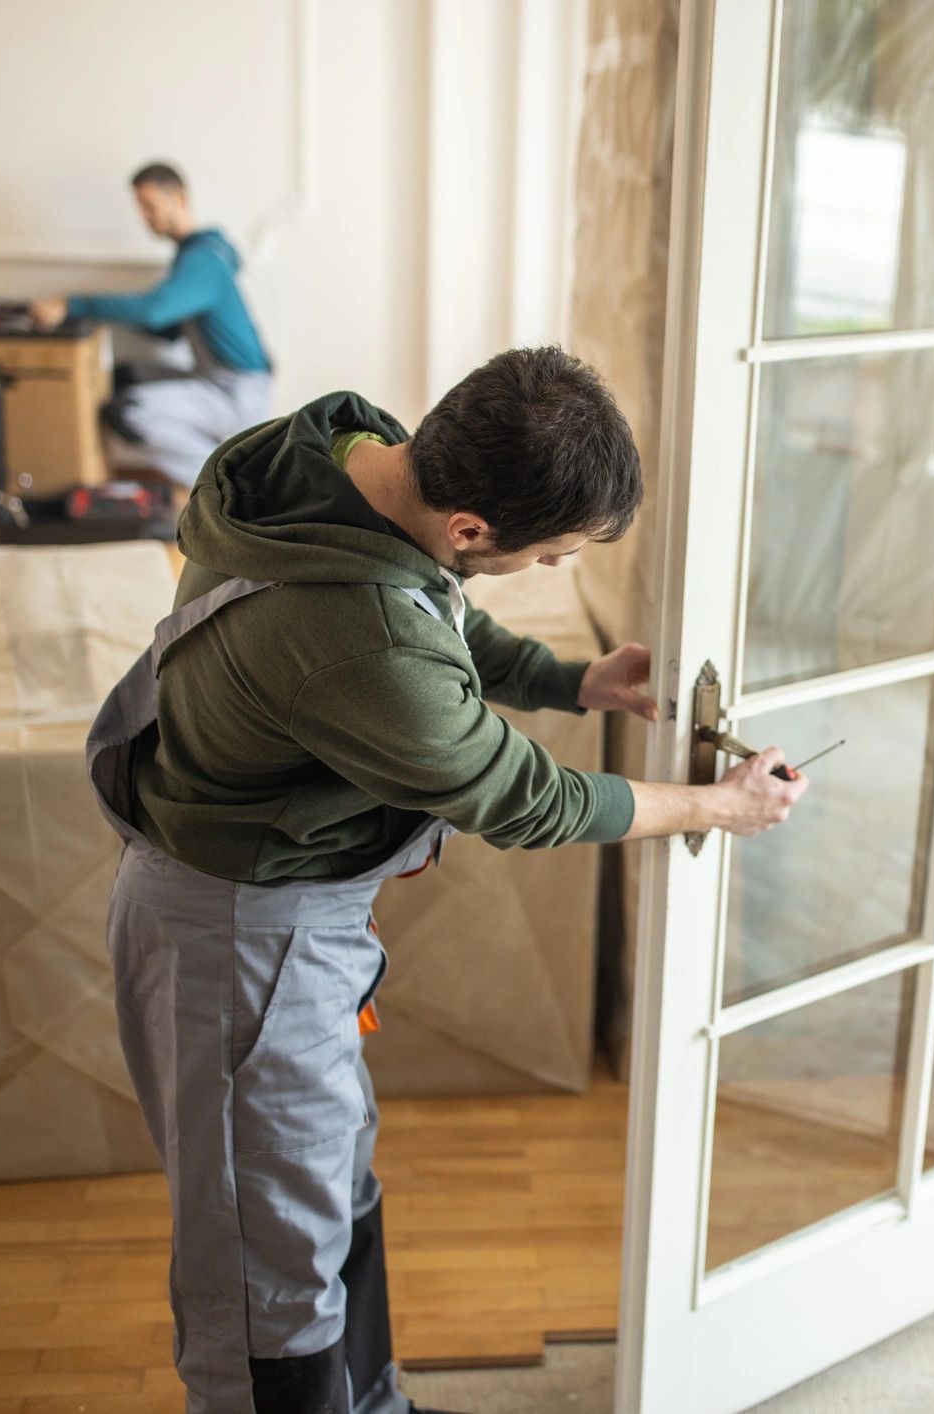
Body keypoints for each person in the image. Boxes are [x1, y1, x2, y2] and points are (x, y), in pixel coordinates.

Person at [86, 346, 808, 1413]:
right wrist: (714, 806)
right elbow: (528, 799)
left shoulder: (335, 450)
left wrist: (573, 679)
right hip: (240, 945)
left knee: (328, 1194)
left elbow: (440, 611)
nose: (557, 570)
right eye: (552, 552)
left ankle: (370, 1404)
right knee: (264, 1269)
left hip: (285, 920)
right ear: (470, 526)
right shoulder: (358, 643)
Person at [31, 162, 273, 487]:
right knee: (122, 377)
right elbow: (168, 330)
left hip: (237, 392)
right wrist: (109, 316)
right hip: (215, 378)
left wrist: (74, 304)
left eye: (150, 207)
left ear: (179, 199)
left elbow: (154, 312)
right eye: (140, 210)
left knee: (128, 412)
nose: (144, 218)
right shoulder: (197, 255)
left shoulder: (203, 260)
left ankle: (231, 485)